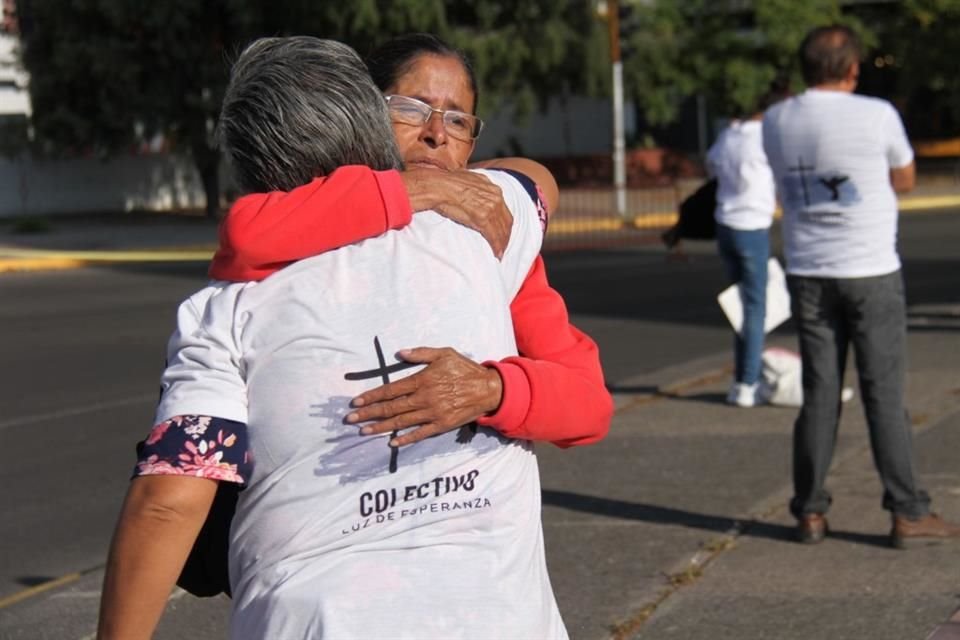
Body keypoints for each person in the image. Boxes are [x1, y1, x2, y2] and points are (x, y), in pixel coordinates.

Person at [98, 36, 568, 639]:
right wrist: (426, 188)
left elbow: (170, 500)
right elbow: (537, 179)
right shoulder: (477, 227)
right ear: (373, 123)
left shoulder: (228, 309)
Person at [207, 32, 613, 448]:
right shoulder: (323, 206)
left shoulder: (489, 235)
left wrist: (492, 389)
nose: (437, 133)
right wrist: (420, 189)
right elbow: (246, 236)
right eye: (411, 109)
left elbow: (590, 404)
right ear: (366, 114)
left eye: (457, 120)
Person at [762, 24, 960, 547]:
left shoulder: (777, 119)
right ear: (852, 68)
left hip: (809, 270)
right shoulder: (877, 114)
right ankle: (908, 511)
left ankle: (809, 511)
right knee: (883, 393)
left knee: (820, 394)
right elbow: (905, 179)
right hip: (870, 270)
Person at [707, 83, 786, 407]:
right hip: (752, 226)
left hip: (725, 224)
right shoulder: (767, 137)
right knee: (756, 307)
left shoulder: (730, 134)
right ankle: (747, 384)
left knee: (744, 305)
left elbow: (711, 164)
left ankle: (741, 377)